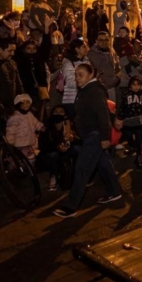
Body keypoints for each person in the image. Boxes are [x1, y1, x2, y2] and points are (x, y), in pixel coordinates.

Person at [53, 63, 122, 218]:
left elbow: (102, 114)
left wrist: (105, 137)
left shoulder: (94, 91)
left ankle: (71, 207)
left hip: (95, 135)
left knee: (82, 169)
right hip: (90, 134)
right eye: (76, 75)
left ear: (91, 74)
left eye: (81, 75)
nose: (77, 78)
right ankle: (114, 191)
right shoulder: (86, 90)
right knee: (103, 164)